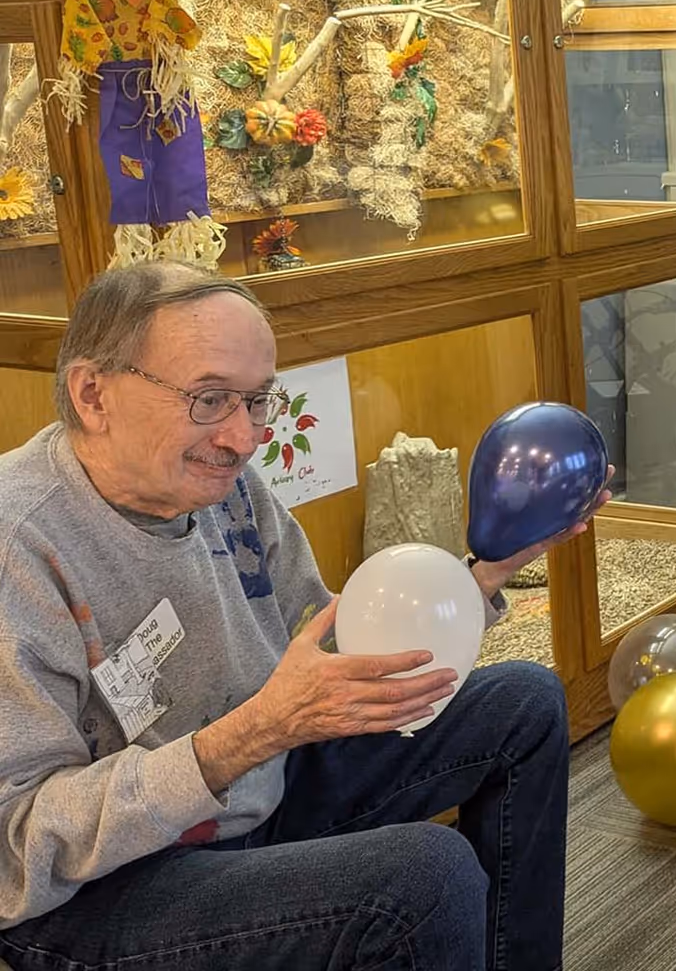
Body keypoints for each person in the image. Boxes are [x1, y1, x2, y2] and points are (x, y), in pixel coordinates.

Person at [0, 263, 608, 970]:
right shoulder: (21, 546)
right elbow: (15, 850)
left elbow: (334, 649)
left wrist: (484, 576)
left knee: (523, 703)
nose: (244, 436)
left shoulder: (225, 484)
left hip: (256, 789)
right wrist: (255, 732)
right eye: (209, 398)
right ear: (92, 393)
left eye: (258, 401)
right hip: (101, 889)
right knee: (424, 876)